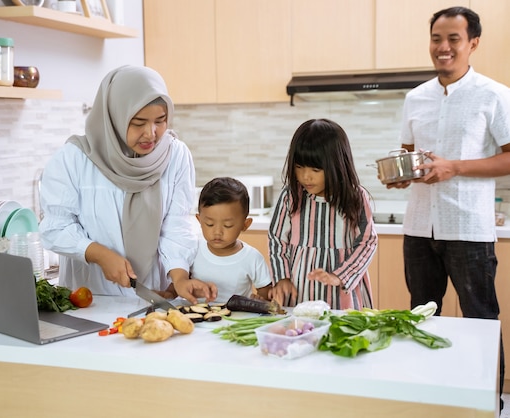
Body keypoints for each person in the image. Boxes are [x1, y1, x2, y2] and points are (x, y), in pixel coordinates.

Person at [387, 6, 510, 402]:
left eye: (453, 39)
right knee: (421, 320)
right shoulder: (415, 98)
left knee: (480, 320)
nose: (443, 47)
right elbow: (407, 155)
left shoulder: (495, 96)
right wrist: (400, 173)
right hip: (419, 228)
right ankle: (430, 400)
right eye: (437, 39)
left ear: (472, 43)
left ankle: (488, 403)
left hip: (469, 229)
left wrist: (453, 167)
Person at [39, 65, 216, 305]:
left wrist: (179, 276)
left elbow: (177, 224)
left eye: (160, 121)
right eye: (138, 122)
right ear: (114, 116)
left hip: (156, 297)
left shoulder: (175, 155)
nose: (151, 134)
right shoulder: (75, 158)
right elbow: (54, 227)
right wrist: (98, 254)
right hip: (91, 300)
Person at [268, 118, 377, 309]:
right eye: (299, 167)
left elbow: (367, 242)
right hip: (299, 289)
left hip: (341, 293)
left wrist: (339, 276)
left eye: (315, 169)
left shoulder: (356, 197)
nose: (305, 176)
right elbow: (277, 239)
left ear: (337, 165)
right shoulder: (291, 196)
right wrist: (282, 278)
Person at [191, 177, 273, 303]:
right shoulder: (192, 250)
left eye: (228, 225)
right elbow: (179, 284)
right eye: (209, 224)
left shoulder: (253, 258)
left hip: (237, 320)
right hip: (196, 319)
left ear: (245, 224)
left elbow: (266, 294)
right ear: (199, 220)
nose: (217, 232)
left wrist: (261, 299)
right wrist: (169, 292)